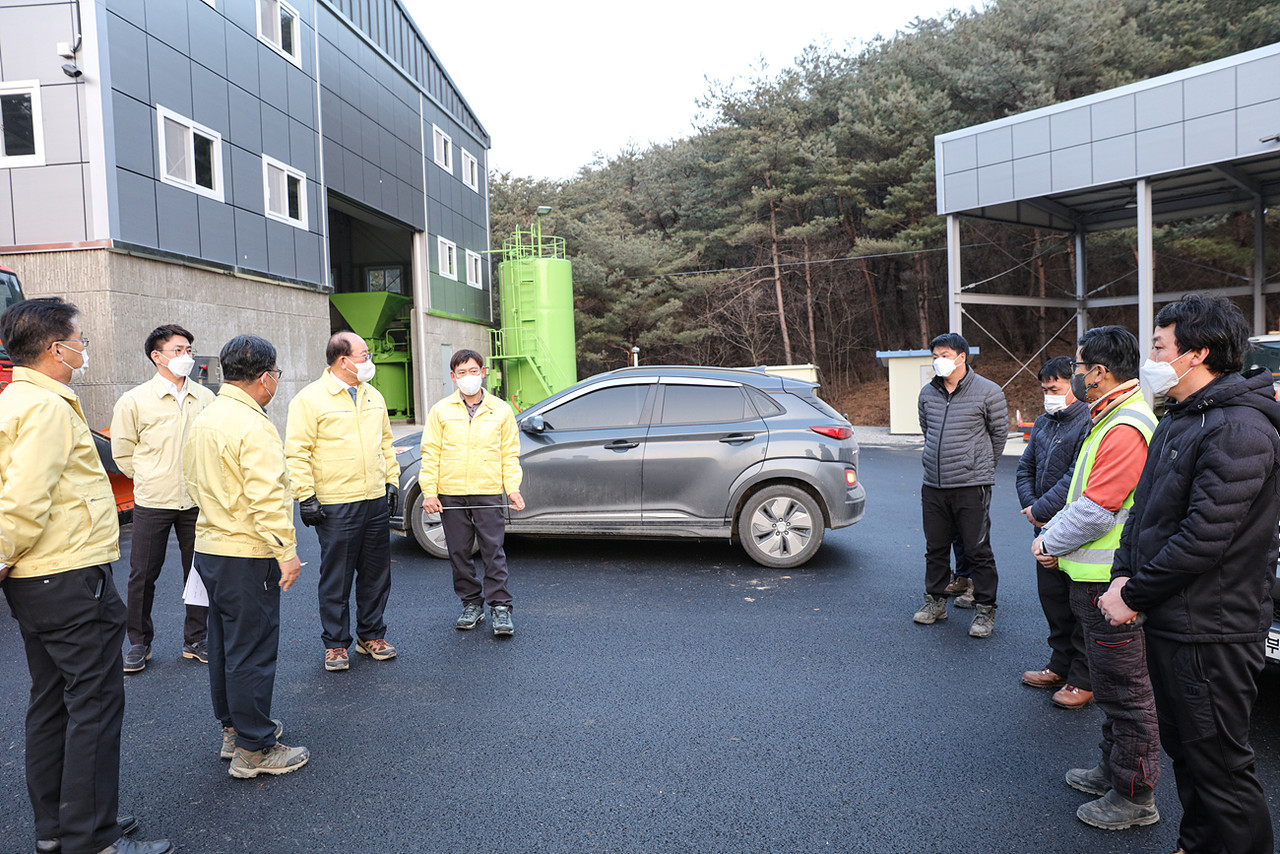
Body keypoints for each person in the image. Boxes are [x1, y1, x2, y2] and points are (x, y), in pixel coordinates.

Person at [1100, 294, 1280, 854]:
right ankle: (1199, 841)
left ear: (1197, 353)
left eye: (1159, 346)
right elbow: (1144, 513)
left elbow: (1204, 538)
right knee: (1187, 750)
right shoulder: (1184, 418)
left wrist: (1136, 592)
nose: (1151, 358)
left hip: (1214, 629)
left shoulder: (1239, 429)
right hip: (1176, 618)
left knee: (1220, 763)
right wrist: (1121, 575)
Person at [0, 298, 172, 854]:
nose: (84, 348)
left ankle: (57, 829)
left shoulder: (17, 399)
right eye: (80, 339)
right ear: (56, 348)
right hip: (67, 575)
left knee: (51, 701)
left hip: (38, 579)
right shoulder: (47, 408)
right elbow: (23, 501)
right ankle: (90, 838)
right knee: (94, 703)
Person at [1032, 327, 1161, 830]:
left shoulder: (1126, 425)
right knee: (1110, 687)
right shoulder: (1108, 417)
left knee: (1127, 692)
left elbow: (1096, 508)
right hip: (1093, 578)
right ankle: (1113, 768)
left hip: (1110, 583)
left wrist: (1047, 542)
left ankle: (1135, 795)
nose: (1076, 374)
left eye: (1081, 367)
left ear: (1099, 372)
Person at [183, 335, 309, 779]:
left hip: (211, 547)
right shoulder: (253, 425)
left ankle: (235, 730)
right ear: (265, 377)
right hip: (247, 550)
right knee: (252, 649)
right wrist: (287, 553)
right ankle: (256, 749)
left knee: (224, 645)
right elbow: (268, 497)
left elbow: (193, 484)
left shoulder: (207, 416)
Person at [286, 331, 400, 672]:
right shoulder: (310, 400)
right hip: (336, 503)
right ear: (343, 360)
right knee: (336, 576)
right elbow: (296, 452)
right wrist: (305, 496)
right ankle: (336, 644)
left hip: (374, 500)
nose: (369, 360)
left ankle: (371, 635)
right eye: (364, 355)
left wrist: (391, 481)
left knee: (377, 573)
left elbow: (386, 442)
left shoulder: (373, 396)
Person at [111, 324, 216, 673]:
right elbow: (123, 454)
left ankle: (195, 640)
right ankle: (139, 643)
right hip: (153, 500)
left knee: (198, 573)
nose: (186, 356)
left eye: (188, 349)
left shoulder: (206, 398)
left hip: (196, 500)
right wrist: (150, 476)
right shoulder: (134, 401)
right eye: (177, 350)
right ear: (156, 356)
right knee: (142, 574)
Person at [420, 349, 524, 637]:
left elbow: (510, 454)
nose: (468, 377)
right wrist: (430, 492)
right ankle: (470, 603)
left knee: (494, 552)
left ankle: (500, 607)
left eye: (473, 371)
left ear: (483, 372)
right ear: (453, 377)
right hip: (451, 494)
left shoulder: (501, 410)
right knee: (459, 552)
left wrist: (512, 488)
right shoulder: (441, 410)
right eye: (462, 372)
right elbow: (430, 454)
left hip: (488, 492)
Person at [912, 332, 1008, 638]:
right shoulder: (928, 393)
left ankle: (985, 609)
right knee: (935, 548)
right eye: (935, 355)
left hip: (971, 484)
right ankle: (935, 602)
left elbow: (999, 435)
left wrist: (979, 467)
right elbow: (927, 429)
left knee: (977, 549)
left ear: (961, 357)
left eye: (944, 354)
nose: (938, 360)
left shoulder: (988, 392)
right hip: (934, 484)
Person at [1015, 355, 1093, 708]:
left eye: (1056, 387)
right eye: (1045, 388)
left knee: (1080, 607)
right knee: (1054, 603)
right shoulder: (1045, 422)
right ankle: (1059, 665)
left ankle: (1083, 678)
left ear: (1072, 386)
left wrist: (1041, 510)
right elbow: (1025, 466)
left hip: (1075, 529)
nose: (1049, 394)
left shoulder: (1088, 421)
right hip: (1044, 526)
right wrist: (1033, 508)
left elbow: (1075, 477)